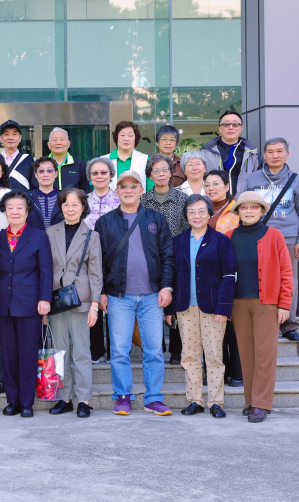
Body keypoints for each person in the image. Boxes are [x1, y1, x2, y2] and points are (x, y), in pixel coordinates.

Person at [95, 170, 174, 416]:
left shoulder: (156, 219)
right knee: (119, 350)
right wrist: (101, 292)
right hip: (118, 296)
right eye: (123, 186)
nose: (128, 190)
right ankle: (122, 396)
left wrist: (167, 286)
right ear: (116, 191)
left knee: (154, 350)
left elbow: (167, 255)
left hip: (152, 296)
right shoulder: (104, 222)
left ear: (141, 190)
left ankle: (153, 398)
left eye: (133, 185)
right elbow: (98, 261)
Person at [165, 195, 236, 419]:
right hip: (185, 307)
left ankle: (216, 402)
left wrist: (224, 308)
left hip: (213, 308)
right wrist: (170, 309)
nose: (197, 216)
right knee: (189, 355)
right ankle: (195, 400)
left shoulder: (220, 240)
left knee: (214, 356)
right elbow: (172, 276)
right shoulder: (178, 241)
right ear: (186, 215)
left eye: (201, 211)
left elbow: (229, 276)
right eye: (192, 212)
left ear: (209, 214)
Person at [226, 191, 293, 423]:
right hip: (238, 303)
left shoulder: (274, 236)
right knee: (246, 354)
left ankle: (262, 404)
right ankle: (251, 400)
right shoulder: (229, 236)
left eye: (254, 207)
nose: (249, 211)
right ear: (238, 211)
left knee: (265, 354)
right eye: (244, 207)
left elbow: (286, 272)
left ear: (262, 210)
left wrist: (284, 304)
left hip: (267, 303)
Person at [244, 137, 299, 341]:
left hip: (288, 237)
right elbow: (245, 208)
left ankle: (288, 325)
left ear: (287, 154)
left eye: (279, 151)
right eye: (270, 152)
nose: (275, 155)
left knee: (289, 280)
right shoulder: (253, 179)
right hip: (258, 235)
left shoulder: (296, 179)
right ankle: (261, 320)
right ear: (264, 155)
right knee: (257, 278)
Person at [0, 191, 53, 418]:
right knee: (8, 355)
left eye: (20, 207)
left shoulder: (38, 236)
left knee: (28, 354)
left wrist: (45, 299)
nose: (15, 211)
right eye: (10, 207)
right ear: (5, 211)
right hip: (3, 305)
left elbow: (46, 270)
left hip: (30, 304)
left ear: (27, 211)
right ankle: (13, 400)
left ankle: (27, 402)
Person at [46, 189, 102, 418]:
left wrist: (95, 305)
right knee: (60, 351)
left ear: (83, 207)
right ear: (61, 207)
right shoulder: (50, 232)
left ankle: (84, 400)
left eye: (75, 204)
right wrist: (43, 302)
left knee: (81, 352)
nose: (70, 209)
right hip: (56, 301)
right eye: (66, 204)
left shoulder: (91, 235)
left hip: (81, 300)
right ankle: (65, 399)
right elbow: (44, 269)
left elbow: (96, 274)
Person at [140, 154, 189, 366]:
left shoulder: (182, 199)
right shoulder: (143, 200)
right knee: (152, 303)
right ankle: (156, 347)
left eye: (165, 170)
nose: (161, 174)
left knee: (175, 302)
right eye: (156, 170)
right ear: (150, 175)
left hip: (176, 256)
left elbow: (187, 227)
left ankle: (176, 350)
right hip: (148, 258)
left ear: (171, 173)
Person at [202, 169, 243, 387]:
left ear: (227, 186)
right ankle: (216, 371)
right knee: (212, 327)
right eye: (207, 184)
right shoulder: (201, 210)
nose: (211, 188)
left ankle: (236, 371)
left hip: (235, 274)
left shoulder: (237, 210)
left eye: (216, 184)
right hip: (208, 277)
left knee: (234, 326)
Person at [84, 157, 120, 364]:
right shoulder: (82, 200)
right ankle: (96, 350)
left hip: (115, 259)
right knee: (93, 301)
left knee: (114, 305)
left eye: (103, 172)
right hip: (88, 260)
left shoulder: (120, 200)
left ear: (111, 175)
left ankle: (116, 351)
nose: (99, 176)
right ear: (89, 177)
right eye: (95, 173)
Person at [199, 110, 260, 197]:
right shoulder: (206, 152)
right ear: (220, 129)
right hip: (215, 201)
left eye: (235, 124)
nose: (231, 127)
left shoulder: (252, 153)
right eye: (226, 124)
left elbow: (258, 179)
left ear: (241, 128)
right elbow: (200, 179)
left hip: (244, 201)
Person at [102, 121, 152, 191]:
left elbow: (151, 190)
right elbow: (98, 188)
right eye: (122, 135)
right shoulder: (103, 161)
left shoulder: (145, 160)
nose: (126, 139)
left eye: (130, 135)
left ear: (135, 138)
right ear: (116, 137)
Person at [48, 128, 90, 193]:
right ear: (49, 145)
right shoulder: (41, 164)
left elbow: (85, 190)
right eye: (54, 140)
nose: (58, 143)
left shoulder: (79, 164)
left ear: (69, 144)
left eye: (62, 139)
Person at [26, 157, 63, 230]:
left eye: (49, 171)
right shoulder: (26, 197)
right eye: (41, 171)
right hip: (34, 237)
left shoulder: (64, 197)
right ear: (36, 175)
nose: (45, 174)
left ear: (56, 173)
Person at [0, 120, 34, 190]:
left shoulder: (29, 160)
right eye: (6, 134)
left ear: (20, 138)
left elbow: (34, 187)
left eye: (14, 134)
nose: (11, 138)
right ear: (0, 138)